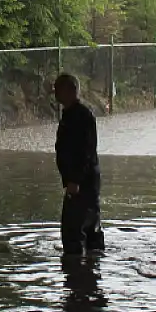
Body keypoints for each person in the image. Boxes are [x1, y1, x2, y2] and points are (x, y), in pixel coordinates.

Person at [53, 73, 104, 256]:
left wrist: (75, 180)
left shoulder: (81, 116)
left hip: (83, 182)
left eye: (58, 90)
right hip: (85, 181)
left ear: (70, 90)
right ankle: (90, 269)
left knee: (74, 231)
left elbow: (86, 151)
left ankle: (76, 273)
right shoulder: (71, 115)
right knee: (89, 228)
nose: (55, 94)